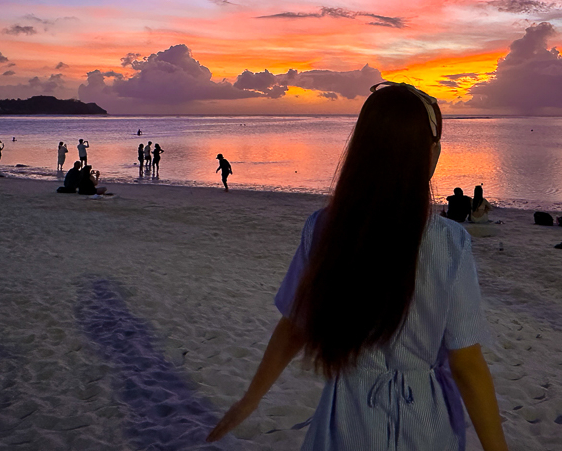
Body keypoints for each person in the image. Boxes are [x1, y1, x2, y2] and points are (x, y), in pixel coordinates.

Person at [206, 82, 509, 451]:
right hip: (426, 422)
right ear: (431, 154)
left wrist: (251, 398)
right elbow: (466, 362)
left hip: (346, 417)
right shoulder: (448, 242)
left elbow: (294, 326)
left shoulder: (324, 229)